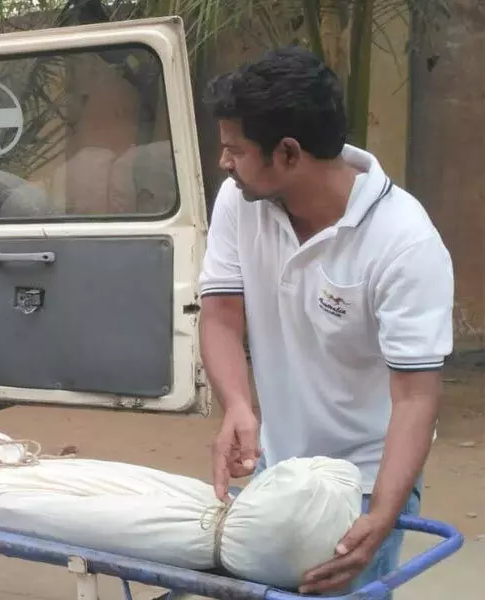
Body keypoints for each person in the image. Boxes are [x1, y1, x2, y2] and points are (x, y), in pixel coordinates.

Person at [197, 46, 453, 596]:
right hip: (279, 465)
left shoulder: (403, 242)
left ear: (288, 153)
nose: (225, 163)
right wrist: (239, 407)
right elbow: (220, 315)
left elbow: (415, 397)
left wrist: (381, 515)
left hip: (364, 480)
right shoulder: (239, 202)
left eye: (235, 151)